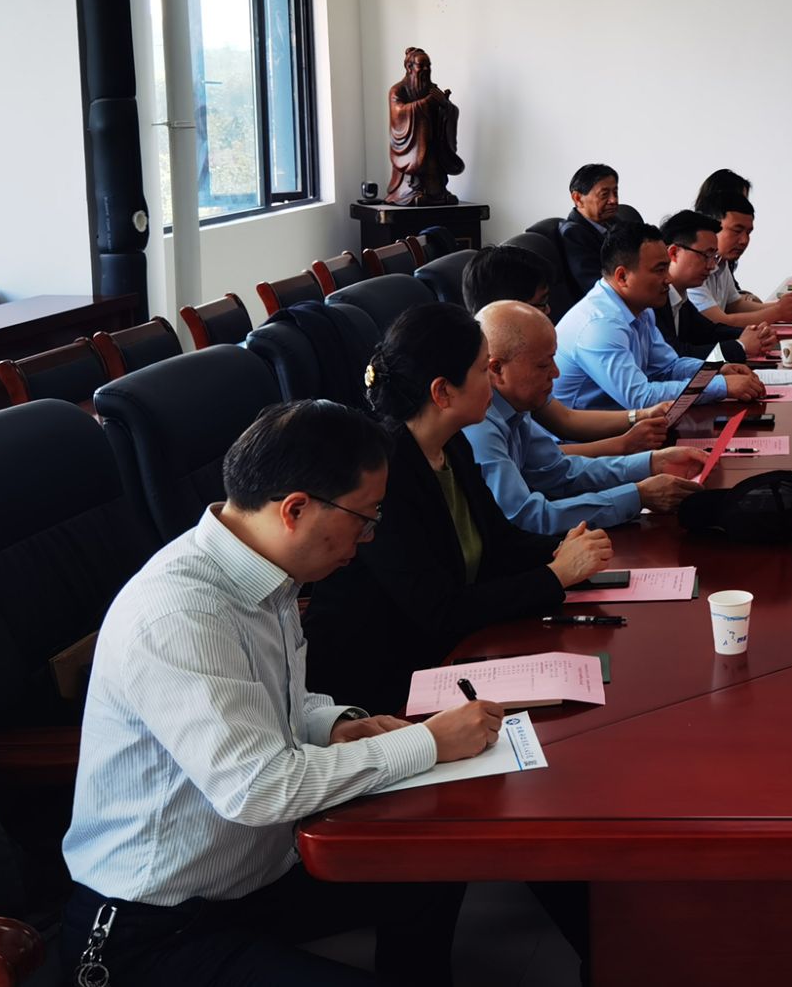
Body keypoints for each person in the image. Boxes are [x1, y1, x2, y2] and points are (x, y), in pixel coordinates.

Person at [61, 400, 506, 986]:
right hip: (154, 925)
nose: (368, 537)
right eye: (365, 517)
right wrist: (426, 743)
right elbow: (259, 788)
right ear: (296, 509)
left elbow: (276, 700)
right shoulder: (180, 613)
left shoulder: (264, 573)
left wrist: (336, 723)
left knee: (432, 864)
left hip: (257, 880)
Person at [303, 304, 614, 715]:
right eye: (484, 370)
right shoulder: (383, 474)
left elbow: (498, 541)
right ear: (443, 392)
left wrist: (563, 548)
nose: (493, 383)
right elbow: (440, 610)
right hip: (380, 683)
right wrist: (556, 575)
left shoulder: (452, 443)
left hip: (449, 650)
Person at [468, 300, 704, 537]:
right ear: (497, 369)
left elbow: (560, 472)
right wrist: (639, 495)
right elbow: (527, 518)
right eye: (543, 365)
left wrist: (652, 463)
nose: (556, 373)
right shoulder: (479, 424)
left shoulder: (515, 407)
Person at [462, 244, 674, 459]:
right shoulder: (478, 410)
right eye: (541, 304)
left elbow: (565, 421)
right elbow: (543, 460)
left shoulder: (515, 372)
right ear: (508, 309)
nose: (555, 373)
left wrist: (641, 416)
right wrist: (624, 444)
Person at [553, 221, 766, 414]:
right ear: (622, 276)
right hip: (583, 440)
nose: (669, 278)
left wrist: (715, 371)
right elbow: (640, 398)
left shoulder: (641, 309)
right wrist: (722, 386)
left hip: (626, 427)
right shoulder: (600, 325)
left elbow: (667, 368)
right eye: (660, 270)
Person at [652, 208, 776, 361]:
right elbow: (676, 355)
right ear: (674, 253)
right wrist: (741, 345)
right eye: (706, 255)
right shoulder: (653, 300)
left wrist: (753, 334)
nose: (712, 266)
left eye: (714, 256)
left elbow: (709, 331)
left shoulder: (680, 297)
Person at [688, 188, 792, 329]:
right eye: (737, 231)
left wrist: (785, 306)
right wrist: (779, 312)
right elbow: (718, 322)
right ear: (712, 227)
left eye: (748, 233)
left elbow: (735, 305)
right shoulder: (693, 268)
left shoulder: (721, 262)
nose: (744, 240)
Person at [385, 47, 463, 207]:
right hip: (414, 150)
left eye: (429, 66)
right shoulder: (398, 90)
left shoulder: (432, 89)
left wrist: (445, 104)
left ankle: (437, 191)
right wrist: (426, 103)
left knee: (434, 174)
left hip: (433, 149)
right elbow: (399, 113)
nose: (426, 69)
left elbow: (451, 111)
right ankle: (411, 190)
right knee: (415, 181)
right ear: (409, 67)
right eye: (422, 65)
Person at [559, 163, 620, 296]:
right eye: (604, 194)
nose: (613, 200)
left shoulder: (615, 222)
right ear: (578, 198)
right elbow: (595, 286)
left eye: (615, 192)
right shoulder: (573, 234)